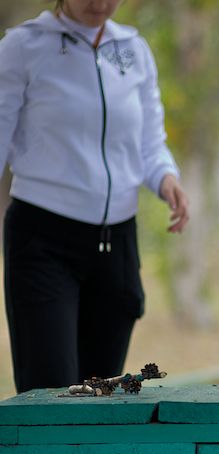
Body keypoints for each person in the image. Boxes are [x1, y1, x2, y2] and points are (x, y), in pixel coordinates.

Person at [0, 0, 189, 393]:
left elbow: (150, 143)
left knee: (100, 394)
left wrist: (165, 177)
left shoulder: (134, 49)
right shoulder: (24, 46)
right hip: (43, 240)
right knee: (50, 394)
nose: (100, 3)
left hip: (116, 242)